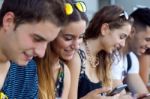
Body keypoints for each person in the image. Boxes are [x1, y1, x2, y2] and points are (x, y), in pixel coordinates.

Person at [0, 0, 67, 98]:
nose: (41, 53)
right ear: (9, 21)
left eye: (47, 43)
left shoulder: (28, 71)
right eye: (37, 39)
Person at [66, 5, 132, 99]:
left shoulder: (104, 58)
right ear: (104, 29)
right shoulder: (76, 57)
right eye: (121, 37)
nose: (123, 44)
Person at [35, 0, 88, 99]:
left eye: (81, 37)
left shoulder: (64, 72)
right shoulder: (27, 65)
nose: (76, 46)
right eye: (68, 38)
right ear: (51, 33)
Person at [112, 8, 150, 97]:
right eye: (147, 39)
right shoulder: (112, 55)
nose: (149, 46)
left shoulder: (131, 59)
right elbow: (121, 97)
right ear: (132, 32)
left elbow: (143, 94)